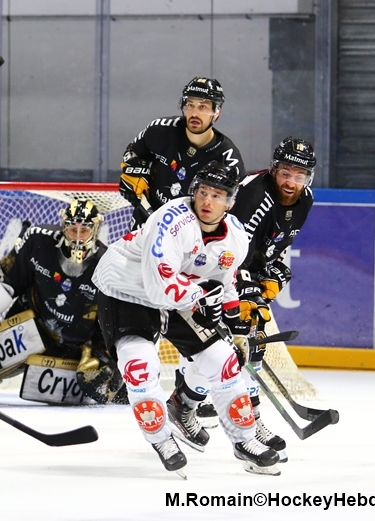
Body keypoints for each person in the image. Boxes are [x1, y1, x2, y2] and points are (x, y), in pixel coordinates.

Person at [92, 161, 281, 478]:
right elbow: (160, 287)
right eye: (203, 193)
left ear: (230, 202)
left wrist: (234, 327)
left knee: (223, 360)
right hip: (125, 288)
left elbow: (225, 280)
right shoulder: (170, 222)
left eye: (217, 196)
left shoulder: (235, 236)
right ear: (194, 193)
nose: (207, 202)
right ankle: (162, 439)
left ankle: (244, 440)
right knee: (140, 368)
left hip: (181, 293)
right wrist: (203, 296)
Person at [183, 136, 318, 463]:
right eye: (286, 172)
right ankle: (191, 405)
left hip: (243, 276)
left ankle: (244, 418)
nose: (291, 181)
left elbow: (275, 247)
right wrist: (244, 292)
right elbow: (228, 252)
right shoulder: (254, 197)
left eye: (299, 176)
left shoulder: (305, 200)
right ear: (274, 169)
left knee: (247, 351)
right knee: (223, 350)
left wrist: (275, 276)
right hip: (214, 271)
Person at [0, 199, 127, 405]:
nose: (77, 237)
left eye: (83, 230)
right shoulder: (38, 241)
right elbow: (10, 277)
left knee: (97, 383)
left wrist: (105, 357)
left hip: (76, 349)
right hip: (30, 329)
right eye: (72, 230)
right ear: (63, 227)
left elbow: (111, 321)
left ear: (95, 229)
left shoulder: (106, 266)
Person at [119, 77, 246, 230]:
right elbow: (133, 153)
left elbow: (231, 208)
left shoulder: (228, 159)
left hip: (190, 233)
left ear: (217, 112)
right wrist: (133, 173)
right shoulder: (159, 131)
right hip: (146, 221)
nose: (194, 113)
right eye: (190, 105)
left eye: (203, 107)